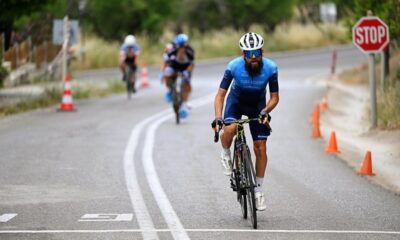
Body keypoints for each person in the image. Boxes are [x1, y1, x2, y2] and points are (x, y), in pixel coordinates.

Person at [211, 32, 279, 211]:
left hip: (258, 106)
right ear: (243, 55)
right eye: (249, 54)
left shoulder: (271, 68)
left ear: (262, 51)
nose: (254, 57)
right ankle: (225, 153)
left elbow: (274, 97)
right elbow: (220, 95)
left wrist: (266, 110)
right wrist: (219, 117)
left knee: (261, 147)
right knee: (231, 128)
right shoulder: (233, 66)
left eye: (256, 52)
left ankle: (258, 191)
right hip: (236, 102)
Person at [162, 33, 195, 118]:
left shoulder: (190, 52)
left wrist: (187, 72)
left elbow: (191, 64)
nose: (181, 48)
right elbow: (167, 62)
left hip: (185, 68)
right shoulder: (173, 50)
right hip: (174, 67)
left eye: (183, 46)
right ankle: (169, 90)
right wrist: (164, 73)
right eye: (179, 46)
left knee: (186, 84)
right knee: (168, 74)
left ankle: (184, 105)